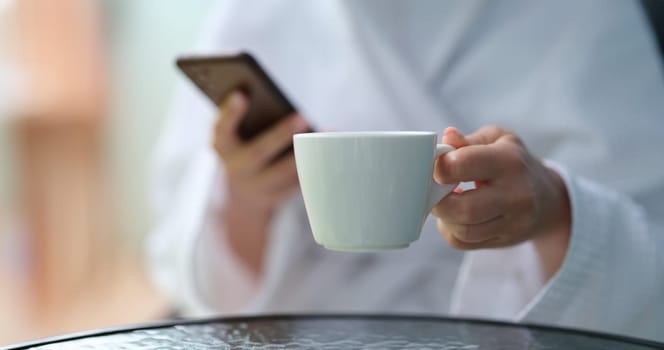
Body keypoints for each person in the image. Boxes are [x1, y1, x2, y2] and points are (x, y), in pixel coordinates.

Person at [147, 0, 664, 342]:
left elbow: (649, 255)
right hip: (300, 329)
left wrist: (556, 211)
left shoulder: (576, 15)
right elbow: (194, 269)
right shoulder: (258, 9)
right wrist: (246, 195)